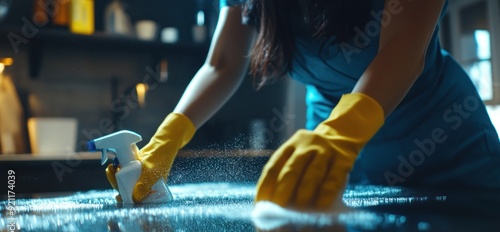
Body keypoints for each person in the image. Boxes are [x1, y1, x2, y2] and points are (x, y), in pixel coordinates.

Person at [106, 0, 500, 209]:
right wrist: (166, 139)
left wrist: (340, 134)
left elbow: (404, 46)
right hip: (342, 150)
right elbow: (222, 63)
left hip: (444, 143)